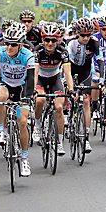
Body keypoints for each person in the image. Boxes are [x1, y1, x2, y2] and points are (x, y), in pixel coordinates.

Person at [0, 24, 36, 177]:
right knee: (1, 97)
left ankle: (25, 159)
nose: (9, 47)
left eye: (13, 44)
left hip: (21, 88)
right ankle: (1, 130)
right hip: (4, 84)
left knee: (23, 123)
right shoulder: (0, 52)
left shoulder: (28, 55)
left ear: (21, 44)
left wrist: (26, 97)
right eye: (7, 43)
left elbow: (32, 78)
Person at [32, 24, 73, 156]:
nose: (50, 43)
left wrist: (71, 89)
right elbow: (35, 72)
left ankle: (59, 142)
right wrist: (33, 89)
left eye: (53, 40)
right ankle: (37, 125)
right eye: (47, 40)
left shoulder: (63, 51)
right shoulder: (37, 51)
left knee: (59, 108)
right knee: (40, 99)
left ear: (58, 40)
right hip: (40, 79)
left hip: (55, 79)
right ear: (42, 40)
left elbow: (67, 73)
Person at [66, 17, 104, 153]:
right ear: (77, 33)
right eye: (83, 35)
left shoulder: (94, 43)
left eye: (89, 35)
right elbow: (65, 65)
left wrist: (102, 78)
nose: (86, 38)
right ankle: (67, 113)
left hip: (85, 72)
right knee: (69, 90)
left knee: (86, 102)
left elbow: (100, 61)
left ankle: (86, 137)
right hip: (71, 69)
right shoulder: (70, 43)